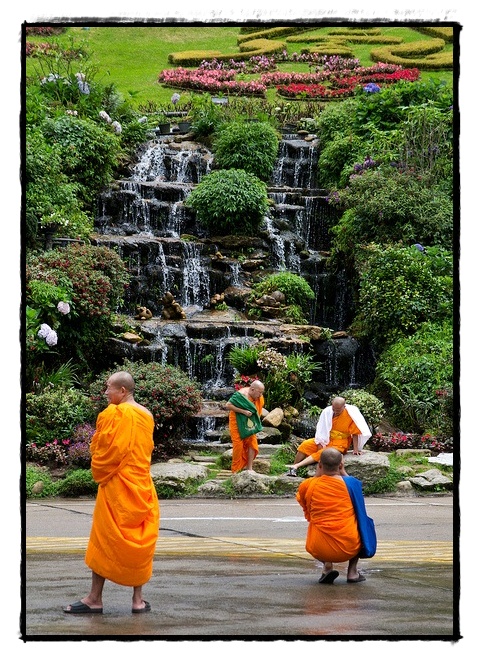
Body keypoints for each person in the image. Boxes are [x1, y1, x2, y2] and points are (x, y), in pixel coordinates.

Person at [63, 371, 160, 614]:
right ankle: (138, 600)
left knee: (105, 539)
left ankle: (95, 598)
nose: (105, 392)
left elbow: (105, 451)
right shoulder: (146, 414)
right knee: (140, 540)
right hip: (142, 485)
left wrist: (97, 462)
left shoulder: (115, 413)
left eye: (108, 388)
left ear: (122, 391)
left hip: (117, 485)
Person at [296, 447, 368, 584]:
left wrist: (318, 475)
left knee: (316, 523)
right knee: (360, 522)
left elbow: (307, 508)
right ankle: (352, 572)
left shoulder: (307, 485)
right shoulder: (352, 484)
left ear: (320, 465)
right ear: (341, 465)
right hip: (350, 548)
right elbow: (360, 507)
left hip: (320, 549)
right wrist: (343, 471)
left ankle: (327, 566)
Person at [286, 396, 371, 476]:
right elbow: (321, 430)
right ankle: (293, 467)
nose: (335, 412)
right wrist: (320, 444)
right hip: (327, 438)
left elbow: (355, 432)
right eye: (334, 409)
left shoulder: (351, 414)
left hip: (341, 442)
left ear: (344, 406)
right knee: (306, 444)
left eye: (338, 410)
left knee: (324, 453)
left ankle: (297, 466)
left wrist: (356, 449)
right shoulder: (327, 411)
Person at [225, 379, 265, 473]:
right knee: (238, 445)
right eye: (259, 393)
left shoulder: (258, 396)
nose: (260, 396)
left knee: (252, 442)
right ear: (252, 389)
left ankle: (249, 468)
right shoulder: (241, 395)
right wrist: (243, 411)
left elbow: (257, 409)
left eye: (262, 393)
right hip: (237, 421)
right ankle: (235, 471)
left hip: (250, 421)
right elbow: (228, 405)